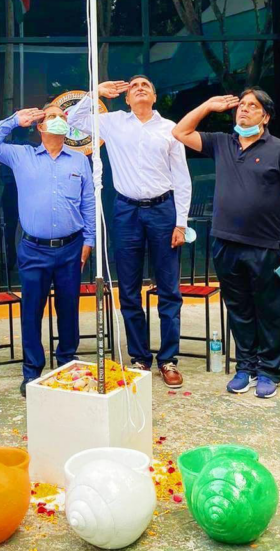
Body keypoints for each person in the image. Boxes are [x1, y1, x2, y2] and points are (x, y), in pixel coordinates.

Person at [173, 88, 280, 399]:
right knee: (238, 308)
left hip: (264, 245)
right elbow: (180, 131)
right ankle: (246, 366)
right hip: (224, 242)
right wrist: (207, 104)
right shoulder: (223, 142)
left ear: (266, 116)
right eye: (241, 105)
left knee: (269, 309)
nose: (244, 110)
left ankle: (270, 369)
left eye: (253, 106)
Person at [67, 76, 191, 387]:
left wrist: (182, 222)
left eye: (145, 85)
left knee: (168, 289)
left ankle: (169, 359)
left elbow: (182, 177)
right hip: (126, 211)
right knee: (130, 289)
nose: (139, 88)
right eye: (134, 86)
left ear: (154, 96)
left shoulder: (170, 128)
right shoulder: (112, 123)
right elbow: (74, 119)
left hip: (164, 210)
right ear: (126, 98)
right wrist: (95, 92)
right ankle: (139, 357)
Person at [0, 103, 95, 396]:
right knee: (31, 311)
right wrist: (14, 120)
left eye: (61, 116)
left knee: (68, 309)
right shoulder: (22, 155)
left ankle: (67, 364)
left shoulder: (80, 160)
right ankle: (32, 372)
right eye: (51, 117)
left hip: (71, 247)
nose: (57, 120)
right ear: (40, 127)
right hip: (33, 249)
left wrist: (89, 241)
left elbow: (88, 203)